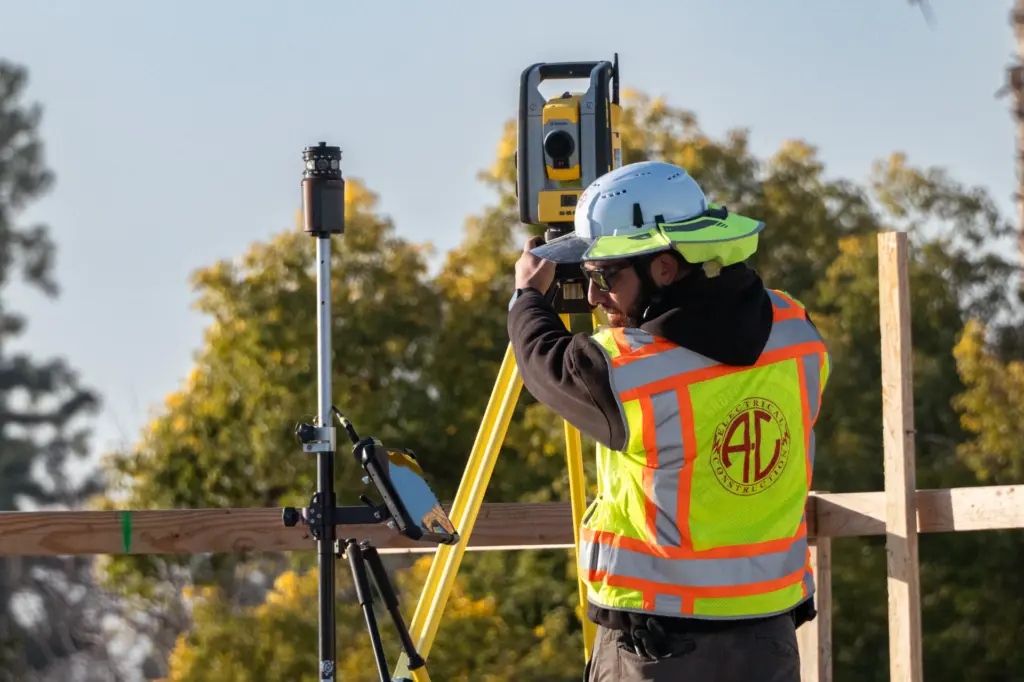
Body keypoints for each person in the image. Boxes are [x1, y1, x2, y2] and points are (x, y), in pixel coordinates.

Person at [507, 160, 831, 682]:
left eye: (604, 276)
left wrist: (526, 296)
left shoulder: (623, 369)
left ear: (662, 268)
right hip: (768, 635)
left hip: (660, 646)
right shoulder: (797, 328)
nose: (593, 298)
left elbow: (542, 360)